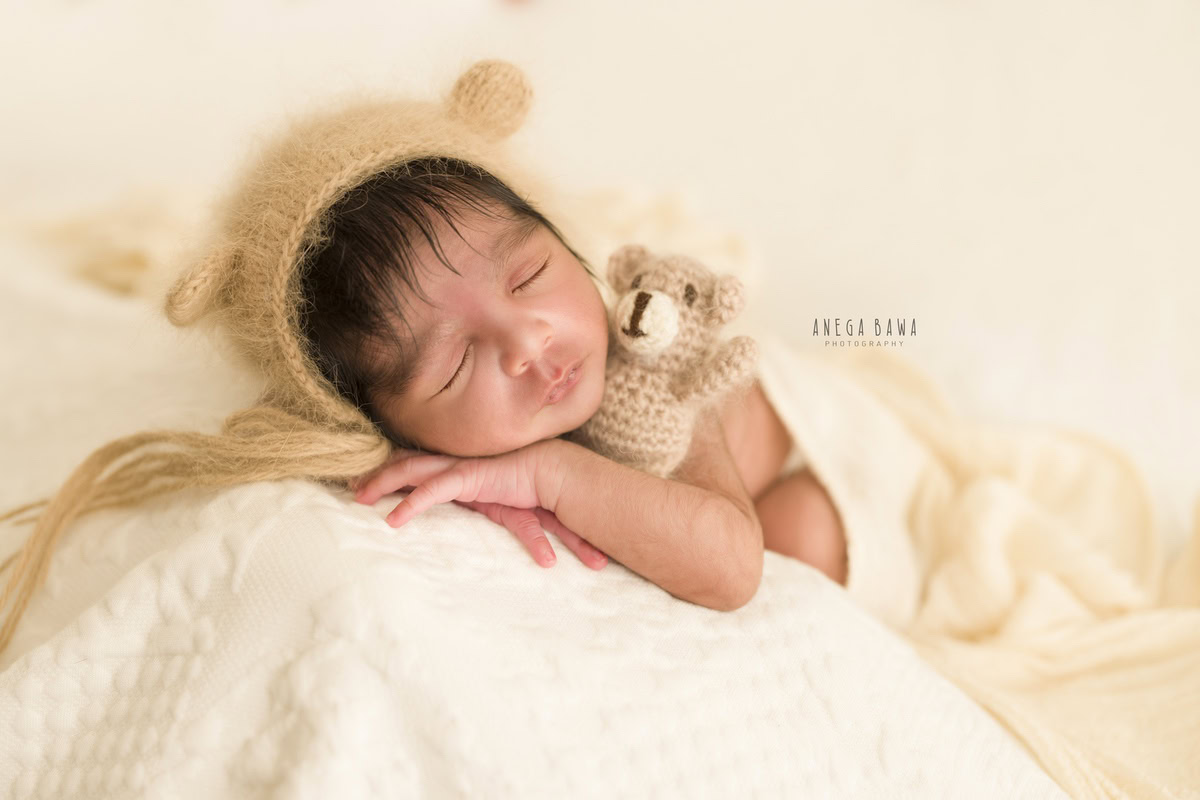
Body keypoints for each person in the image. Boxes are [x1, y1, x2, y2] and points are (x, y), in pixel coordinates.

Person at [312, 156, 849, 598]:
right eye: (455, 365)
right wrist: (476, 487)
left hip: (830, 442)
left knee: (801, 534)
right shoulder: (437, 439)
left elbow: (731, 569)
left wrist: (549, 476)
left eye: (529, 277)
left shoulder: (661, 382)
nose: (528, 340)